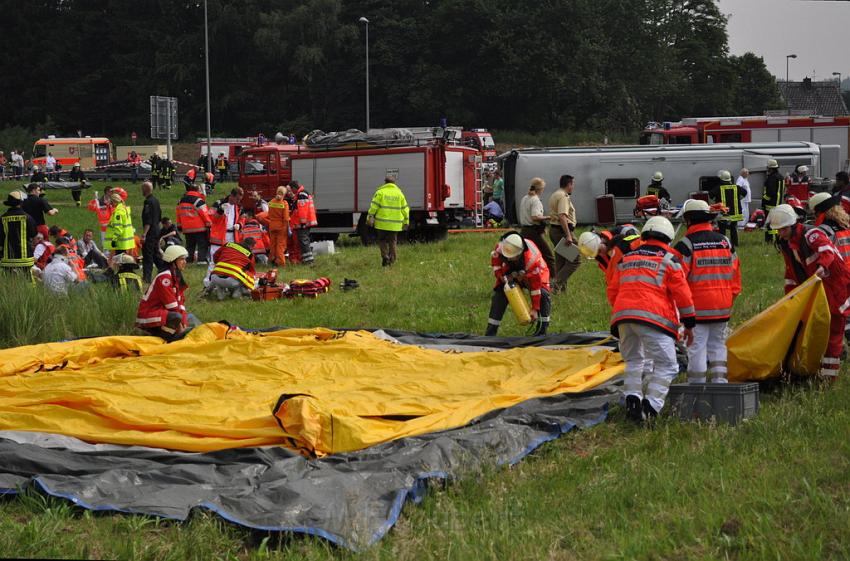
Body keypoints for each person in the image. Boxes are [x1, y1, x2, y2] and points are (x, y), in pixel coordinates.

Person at [608, 216, 695, 423]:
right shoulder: (669, 260)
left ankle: (632, 400)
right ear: (668, 238)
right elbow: (683, 294)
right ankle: (651, 406)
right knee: (667, 366)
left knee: (633, 360)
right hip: (653, 318)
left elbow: (613, 291)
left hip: (623, 317)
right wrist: (689, 322)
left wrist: (625, 311)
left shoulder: (626, 258)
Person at [769, 204, 850, 379]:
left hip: (835, 287)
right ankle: (809, 370)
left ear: (792, 224)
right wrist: (790, 297)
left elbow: (826, 250)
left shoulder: (811, 234)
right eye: (778, 230)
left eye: (783, 229)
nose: (781, 233)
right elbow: (791, 272)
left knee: (834, 332)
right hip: (818, 288)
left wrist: (821, 267)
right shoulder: (787, 244)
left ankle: (829, 378)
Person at [673, 199, 741, 384]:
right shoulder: (725, 242)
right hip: (722, 307)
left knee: (696, 348)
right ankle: (721, 385)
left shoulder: (685, 245)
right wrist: (729, 299)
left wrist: (680, 310)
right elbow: (736, 275)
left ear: (688, 220)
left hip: (696, 311)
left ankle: (697, 390)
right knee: (718, 347)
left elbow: (676, 280)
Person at [485, 232, 551, 337]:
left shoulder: (532, 260)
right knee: (499, 295)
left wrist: (535, 309)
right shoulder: (502, 247)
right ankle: (491, 332)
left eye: (513, 257)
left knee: (542, 294)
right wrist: (501, 276)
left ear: (520, 253)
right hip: (512, 273)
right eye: (508, 257)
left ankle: (542, 331)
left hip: (537, 274)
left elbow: (535, 288)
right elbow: (496, 263)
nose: (510, 259)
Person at [136, 245, 191, 341]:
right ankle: (165, 338)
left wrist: (184, 322)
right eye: (181, 259)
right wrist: (181, 325)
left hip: (161, 313)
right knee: (176, 317)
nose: (184, 262)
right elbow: (172, 305)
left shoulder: (175, 277)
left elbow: (180, 303)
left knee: (190, 318)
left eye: (185, 259)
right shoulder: (165, 278)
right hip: (148, 315)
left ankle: (173, 334)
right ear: (172, 261)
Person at [367, 174, 410, 267]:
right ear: (394, 183)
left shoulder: (380, 192)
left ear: (385, 182)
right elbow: (405, 209)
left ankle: (385, 256)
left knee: (382, 240)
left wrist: (370, 216)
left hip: (381, 224)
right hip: (395, 225)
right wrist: (406, 221)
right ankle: (392, 260)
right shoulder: (400, 194)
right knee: (392, 241)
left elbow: (374, 206)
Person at [547, 174, 580, 293]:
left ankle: (561, 290)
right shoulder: (563, 197)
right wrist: (568, 235)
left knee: (561, 261)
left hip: (554, 230)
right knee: (575, 260)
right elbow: (562, 216)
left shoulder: (556, 194)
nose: (573, 187)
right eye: (572, 184)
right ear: (569, 184)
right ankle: (556, 284)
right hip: (561, 231)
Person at [519, 177, 556, 275]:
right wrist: (548, 217)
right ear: (540, 189)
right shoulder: (535, 200)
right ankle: (553, 279)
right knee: (549, 256)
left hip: (524, 231)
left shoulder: (525, 198)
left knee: (526, 257)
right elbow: (535, 217)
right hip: (533, 232)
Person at [207, 189, 242, 280]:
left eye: (240, 200)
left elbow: (241, 218)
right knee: (214, 261)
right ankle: (208, 283)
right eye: (237, 199)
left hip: (232, 236)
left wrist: (240, 225)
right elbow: (212, 218)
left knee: (230, 260)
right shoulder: (219, 203)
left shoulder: (237, 206)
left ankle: (225, 281)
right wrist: (220, 210)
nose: (238, 202)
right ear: (232, 196)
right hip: (219, 236)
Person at [0, 191, 37, 276]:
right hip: (25, 257)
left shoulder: (2, 218)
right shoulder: (28, 217)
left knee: (8, 280)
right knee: (28, 279)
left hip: (7, 257)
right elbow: (34, 235)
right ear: (21, 202)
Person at [176, 182, 212, 264]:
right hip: (199, 228)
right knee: (202, 244)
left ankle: (188, 260)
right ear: (197, 190)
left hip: (186, 228)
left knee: (190, 246)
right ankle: (201, 260)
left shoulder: (180, 201)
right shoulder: (198, 201)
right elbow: (204, 214)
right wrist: (209, 224)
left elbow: (178, 214)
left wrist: (179, 226)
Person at [710, 169, 744, 249]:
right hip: (735, 214)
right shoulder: (736, 187)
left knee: (722, 230)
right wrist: (738, 199)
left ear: (721, 179)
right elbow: (745, 193)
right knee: (734, 229)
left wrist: (715, 202)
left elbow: (710, 195)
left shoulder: (718, 188)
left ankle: (723, 245)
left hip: (723, 214)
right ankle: (735, 244)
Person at [141, 181, 165, 283]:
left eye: (142, 189)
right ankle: (164, 271)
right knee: (156, 255)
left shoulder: (148, 202)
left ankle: (147, 278)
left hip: (150, 232)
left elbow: (148, 220)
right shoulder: (156, 200)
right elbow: (159, 216)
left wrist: (144, 235)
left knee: (148, 255)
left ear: (145, 190)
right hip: (156, 230)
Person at [290, 180, 317, 265]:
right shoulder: (302, 194)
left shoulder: (301, 194)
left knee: (304, 241)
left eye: (291, 189)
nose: (292, 192)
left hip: (303, 223)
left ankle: (309, 262)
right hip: (304, 223)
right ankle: (306, 260)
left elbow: (302, 209)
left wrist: (302, 222)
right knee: (304, 241)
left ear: (294, 188)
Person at [105, 190, 135, 256]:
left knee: (120, 259)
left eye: (111, 202)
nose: (110, 204)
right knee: (123, 258)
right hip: (124, 240)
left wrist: (114, 239)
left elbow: (118, 228)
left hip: (120, 241)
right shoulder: (124, 209)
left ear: (115, 201)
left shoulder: (118, 212)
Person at [762, 159, 785, 242]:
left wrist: (764, 199)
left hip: (770, 205)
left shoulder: (771, 178)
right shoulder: (781, 177)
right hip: (778, 204)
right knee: (776, 223)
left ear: (770, 168)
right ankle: (776, 238)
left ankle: (769, 240)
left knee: (769, 223)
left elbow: (770, 192)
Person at [267, 186, 290, 266]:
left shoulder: (271, 202)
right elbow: (286, 218)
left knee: (272, 244)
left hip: (272, 226)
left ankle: (271, 261)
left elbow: (269, 215)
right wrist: (287, 228)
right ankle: (281, 263)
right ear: (284, 194)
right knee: (280, 245)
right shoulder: (284, 204)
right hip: (281, 227)